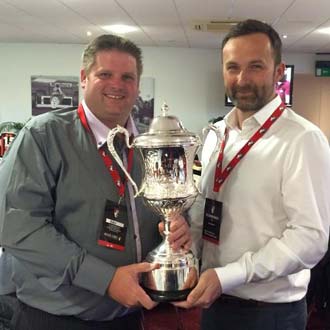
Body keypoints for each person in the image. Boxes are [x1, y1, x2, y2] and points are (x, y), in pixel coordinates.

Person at [0, 34, 191, 330]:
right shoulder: (43, 136)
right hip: (56, 319)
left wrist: (176, 227)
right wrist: (105, 279)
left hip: (128, 316)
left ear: (138, 86)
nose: (117, 84)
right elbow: (17, 227)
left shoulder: (146, 146)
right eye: (105, 74)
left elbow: (165, 209)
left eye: (127, 77)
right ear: (84, 79)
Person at [175, 19, 330, 330]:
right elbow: (205, 210)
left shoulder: (302, 139)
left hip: (268, 314)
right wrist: (185, 240)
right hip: (212, 301)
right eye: (232, 67)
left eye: (255, 66)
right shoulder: (214, 134)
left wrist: (230, 275)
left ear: (277, 71)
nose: (242, 79)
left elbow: (311, 238)